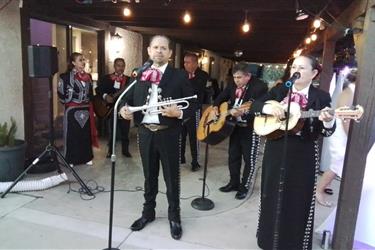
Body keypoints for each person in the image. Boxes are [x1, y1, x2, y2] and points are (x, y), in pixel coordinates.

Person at [251, 55, 336, 250]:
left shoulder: (321, 97)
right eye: (294, 67)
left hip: (304, 152)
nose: (296, 71)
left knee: (299, 197)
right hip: (276, 148)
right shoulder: (281, 89)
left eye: (302, 68)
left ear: (314, 73)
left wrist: (328, 120)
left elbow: (327, 132)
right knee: (270, 194)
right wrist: (270, 108)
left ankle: (295, 243)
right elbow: (255, 106)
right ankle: (268, 240)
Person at [119, 35, 196, 240]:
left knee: (172, 178)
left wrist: (178, 113)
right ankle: (148, 213)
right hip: (145, 133)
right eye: (155, 47)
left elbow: (194, 104)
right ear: (149, 51)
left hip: (168, 133)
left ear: (170, 53)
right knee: (149, 177)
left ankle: (174, 216)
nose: (159, 51)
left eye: (164, 48)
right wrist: (123, 110)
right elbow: (124, 99)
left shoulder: (179, 76)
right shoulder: (139, 73)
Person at [212, 62, 268, 200]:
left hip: (251, 127)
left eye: (239, 77)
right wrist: (215, 107)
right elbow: (221, 96)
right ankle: (233, 182)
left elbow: (259, 106)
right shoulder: (232, 84)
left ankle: (244, 186)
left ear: (248, 76)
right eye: (235, 77)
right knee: (233, 156)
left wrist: (243, 112)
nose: (236, 80)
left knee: (249, 159)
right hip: (234, 126)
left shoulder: (259, 86)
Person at [316, 69, 356, 207]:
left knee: (339, 163)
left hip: (348, 131)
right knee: (337, 163)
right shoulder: (349, 92)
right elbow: (346, 119)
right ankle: (319, 191)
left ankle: (325, 186)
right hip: (342, 133)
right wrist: (352, 138)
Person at [57, 52, 98, 166]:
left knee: (85, 134)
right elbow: (61, 94)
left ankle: (86, 157)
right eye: (80, 60)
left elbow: (90, 94)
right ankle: (71, 159)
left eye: (83, 60)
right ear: (73, 63)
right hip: (72, 110)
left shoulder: (88, 77)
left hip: (86, 110)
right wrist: (69, 103)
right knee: (73, 135)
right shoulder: (64, 77)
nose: (83, 62)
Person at [96, 58, 132, 158]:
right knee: (111, 131)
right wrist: (105, 96)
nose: (120, 68)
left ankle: (125, 151)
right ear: (114, 66)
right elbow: (98, 90)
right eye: (118, 65)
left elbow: (132, 94)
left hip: (124, 108)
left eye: (122, 66)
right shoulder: (106, 78)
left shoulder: (129, 80)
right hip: (110, 109)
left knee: (125, 130)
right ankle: (110, 151)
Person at [181, 53, 209, 171]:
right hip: (181, 108)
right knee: (181, 135)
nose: (185, 65)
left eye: (188, 62)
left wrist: (184, 85)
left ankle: (195, 161)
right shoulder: (181, 74)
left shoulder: (202, 75)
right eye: (184, 62)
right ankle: (180, 157)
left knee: (194, 136)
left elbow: (196, 90)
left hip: (194, 110)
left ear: (195, 63)